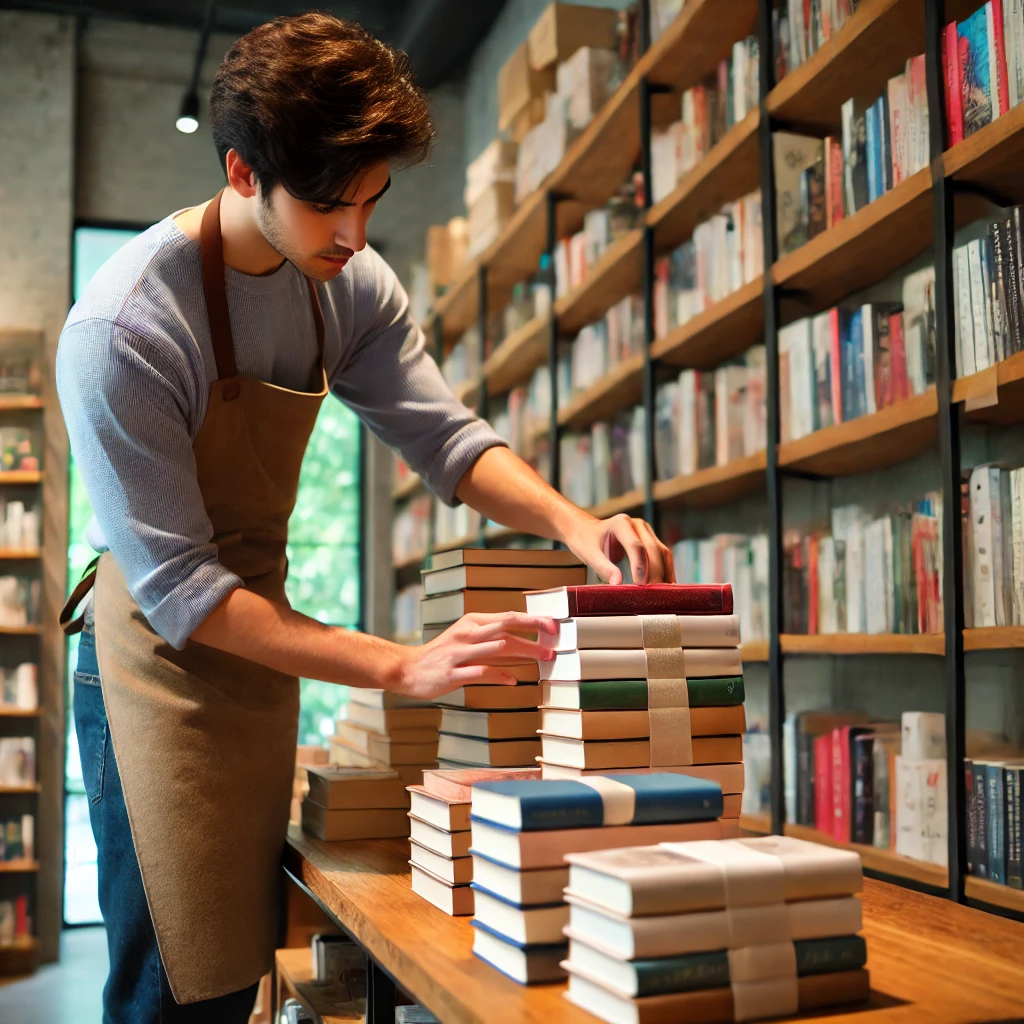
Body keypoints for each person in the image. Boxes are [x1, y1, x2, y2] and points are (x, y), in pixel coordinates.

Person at [56, 12, 674, 1023]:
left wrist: (573, 523)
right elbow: (182, 594)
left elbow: (450, 442)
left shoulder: (346, 283)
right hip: (148, 656)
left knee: (244, 962)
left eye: (372, 200)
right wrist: (400, 663)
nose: (356, 235)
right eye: (329, 207)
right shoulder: (123, 328)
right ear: (245, 174)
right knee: (174, 982)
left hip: (262, 636)